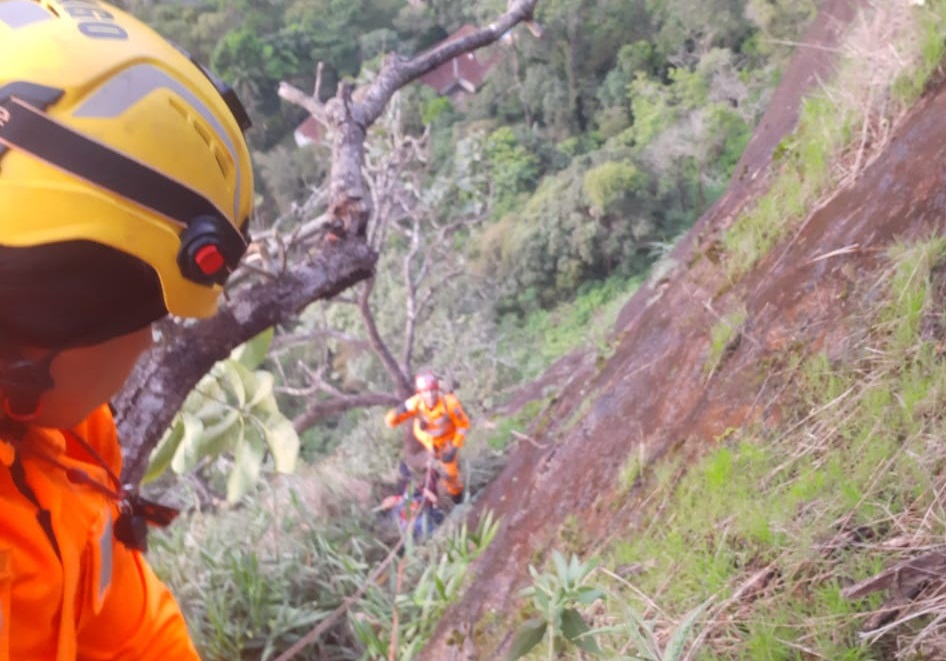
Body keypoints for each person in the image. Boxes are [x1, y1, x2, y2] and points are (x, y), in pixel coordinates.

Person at [0, 1, 254, 658]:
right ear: (55, 304)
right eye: (141, 316)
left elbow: (133, 635)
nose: (146, 342)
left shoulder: (68, 443)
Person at [385, 371, 471, 504]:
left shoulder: (450, 404)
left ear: (437, 389)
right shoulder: (415, 404)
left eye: (432, 390)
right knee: (424, 471)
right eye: (425, 391)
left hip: (446, 441)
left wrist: (454, 447)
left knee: (451, 474)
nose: (430, 395)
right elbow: (390, 423)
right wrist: (396, 412)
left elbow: (463, 425)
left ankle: (457, 498)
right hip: (427, 440)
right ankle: (428, 492)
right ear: (420, 393)